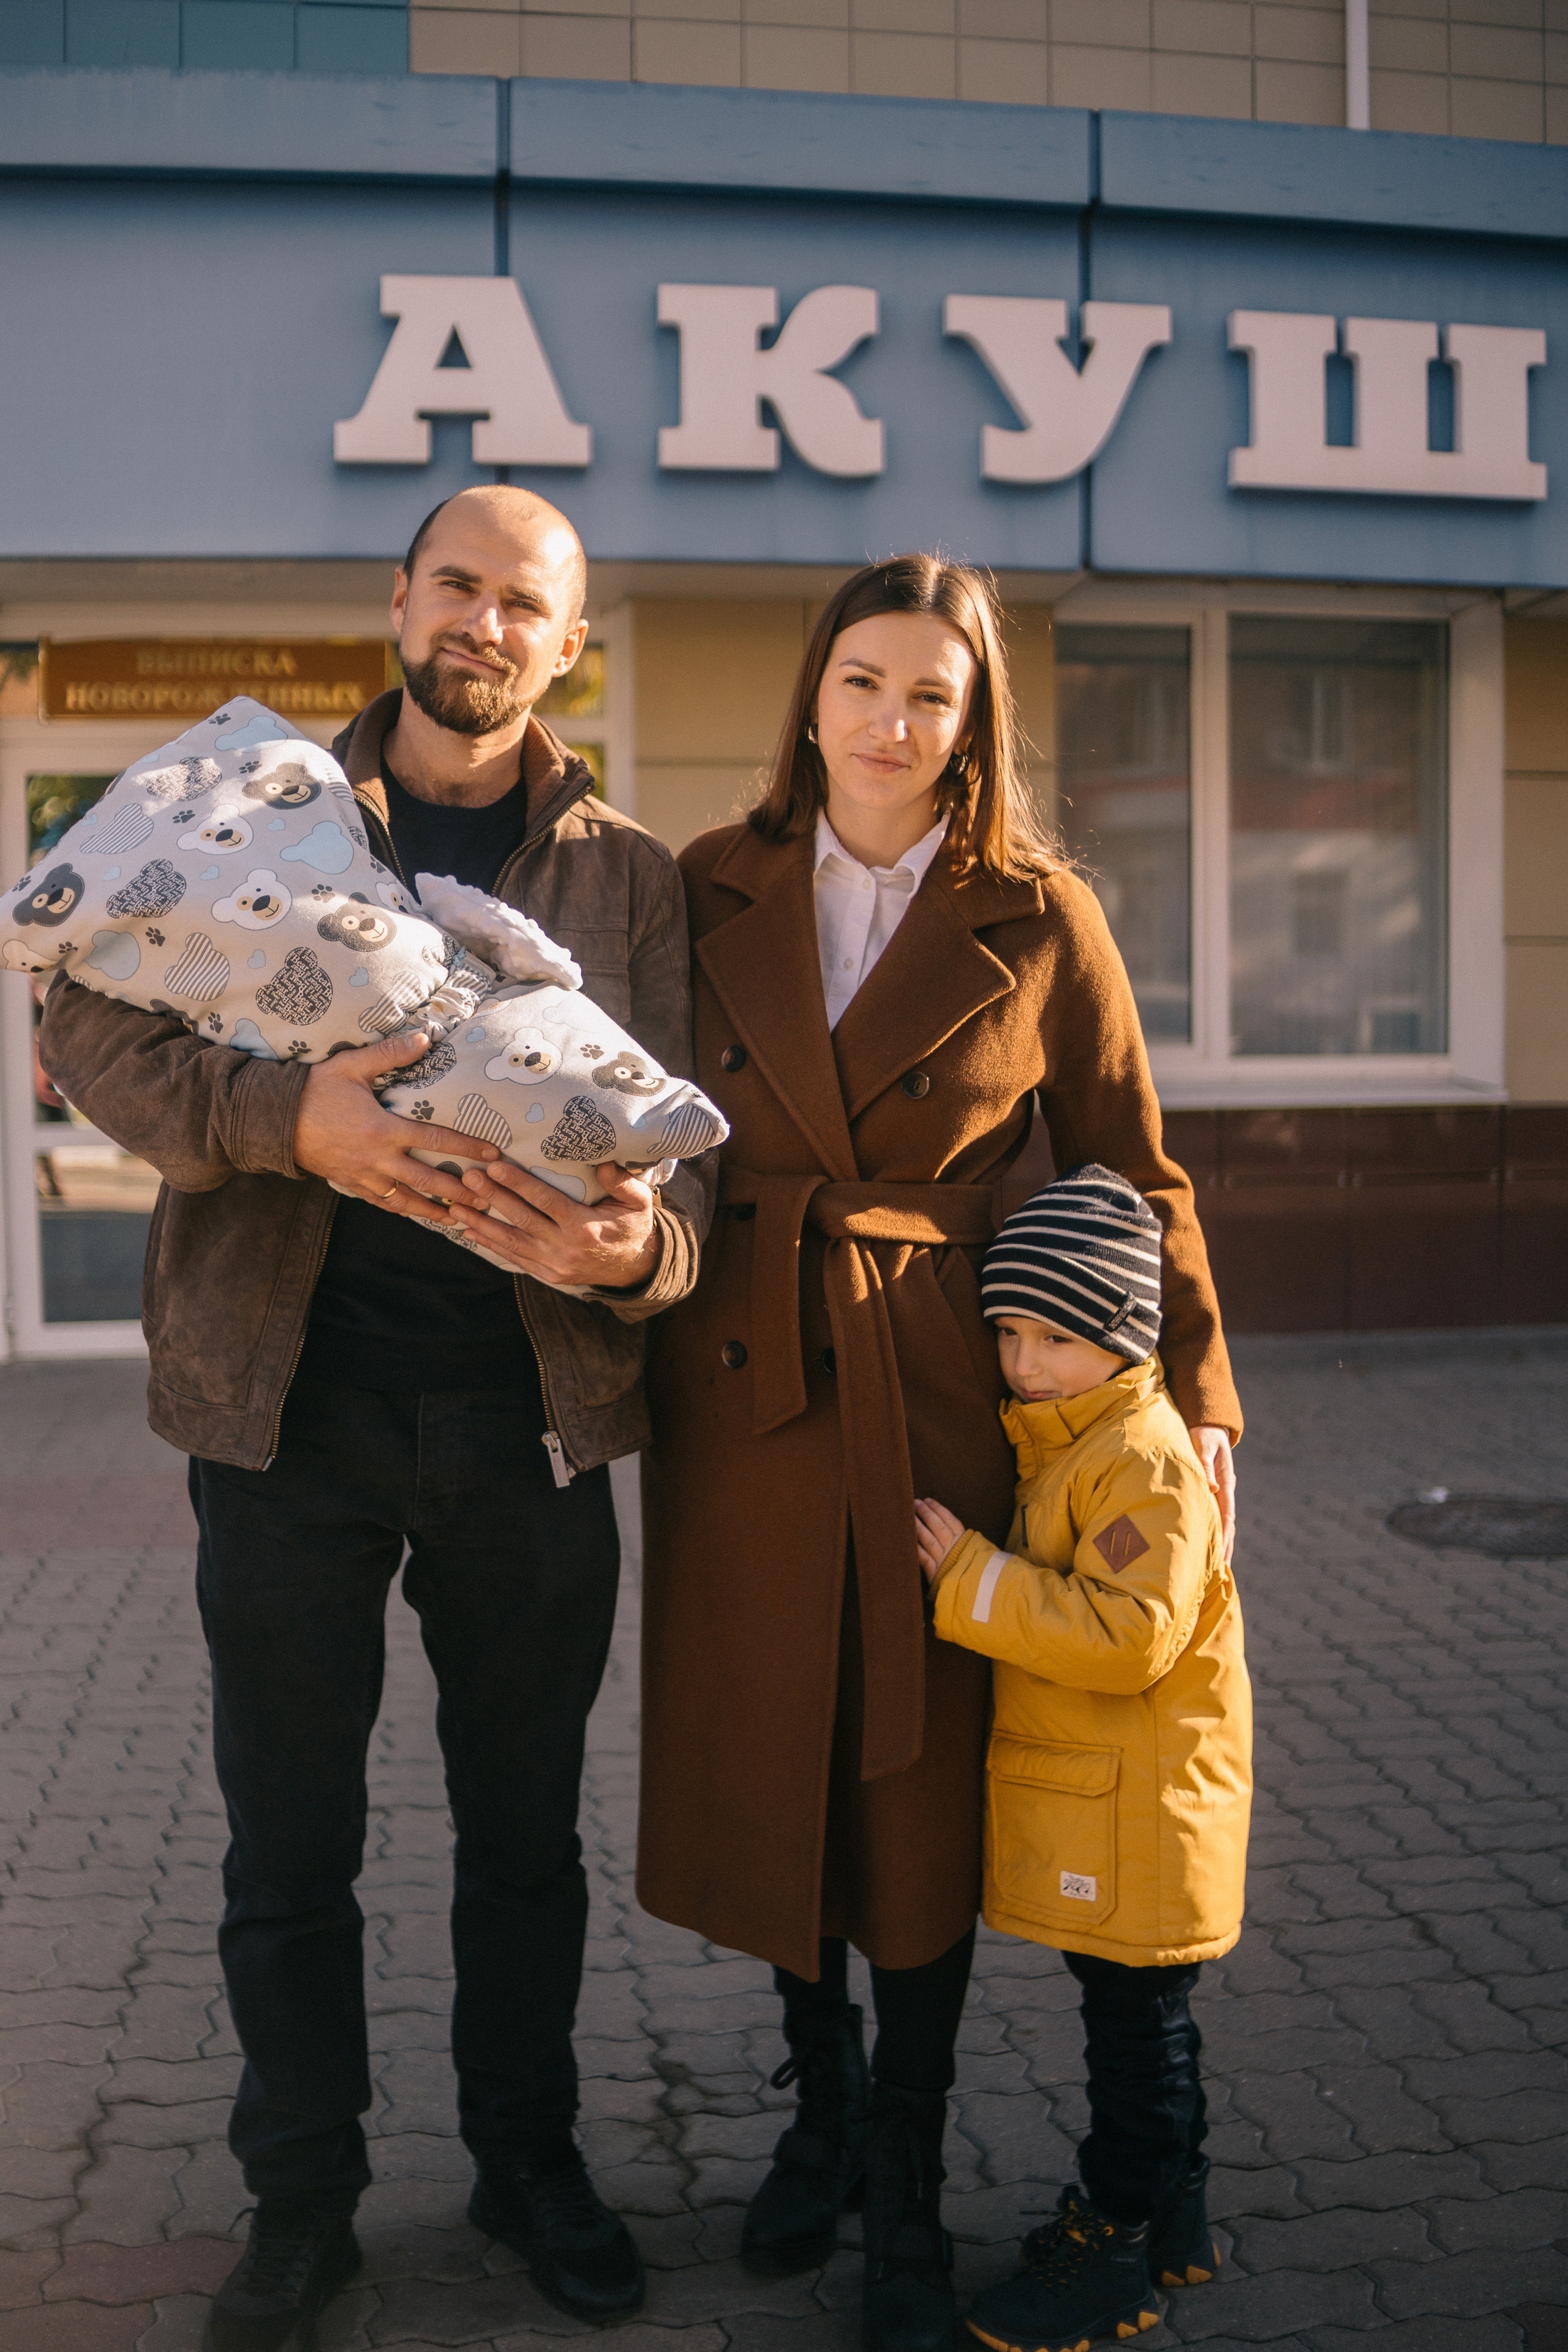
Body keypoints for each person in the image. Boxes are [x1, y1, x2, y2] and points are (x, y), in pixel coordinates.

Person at [39, 486, 709, 2351]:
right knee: (289, 1848)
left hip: (527, 1419)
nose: (484, 623)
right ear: (399, 601)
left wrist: (642, 1254)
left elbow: (691, 1162)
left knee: (524, 1839)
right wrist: (291, 1124)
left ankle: (526, 2162)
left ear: (568, 646)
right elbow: (90, 1027)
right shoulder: (252, 801)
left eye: (524, 603)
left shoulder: (630, 879)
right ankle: (301, 2208)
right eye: (457, 585)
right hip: (285, 1416)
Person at [636, 553, 1243, 2352]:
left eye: (932, 696)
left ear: (973, 726)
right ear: (811, 696)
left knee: (909, 1786)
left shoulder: (1041, 914)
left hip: (941, 1399)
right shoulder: (709, 876)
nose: (891, 723)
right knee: (779, 1757)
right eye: (863, 682)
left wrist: (1201, 1396)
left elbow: (1132, 1170)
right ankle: (818, 2117)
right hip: (744, 1380)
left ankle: (904, 2181)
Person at [914, 1164, 1251, 2352]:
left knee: (1134, 2044)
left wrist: (973, 1579)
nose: (1023, 1362)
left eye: (1055, 1337)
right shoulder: (1077, 1437)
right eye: (1009, 1331)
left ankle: (1112, 2245)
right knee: (1147, 2025)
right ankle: (1177, 2220)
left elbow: (1128, 1638)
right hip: (1124, 1802)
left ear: (1123, 1334)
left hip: (1141, 1812)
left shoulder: (1139, 1463)